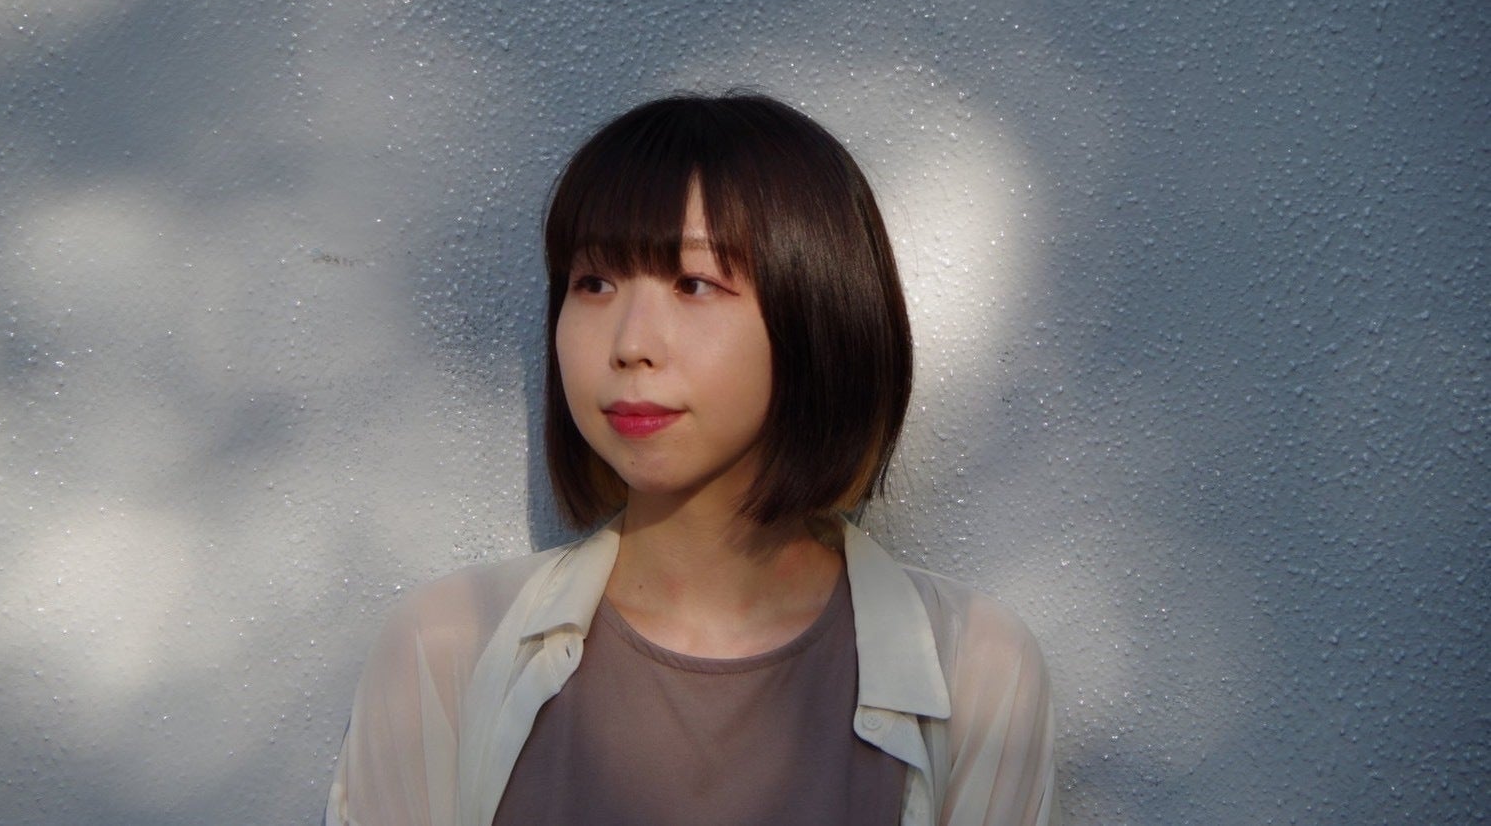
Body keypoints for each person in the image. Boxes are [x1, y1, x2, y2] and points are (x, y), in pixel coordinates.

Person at [325, 94, 1058, 826]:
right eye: (594, 283)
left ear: (818, 312)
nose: (630, 343)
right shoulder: (448, 645)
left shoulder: (975, 669)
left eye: (695, 284)